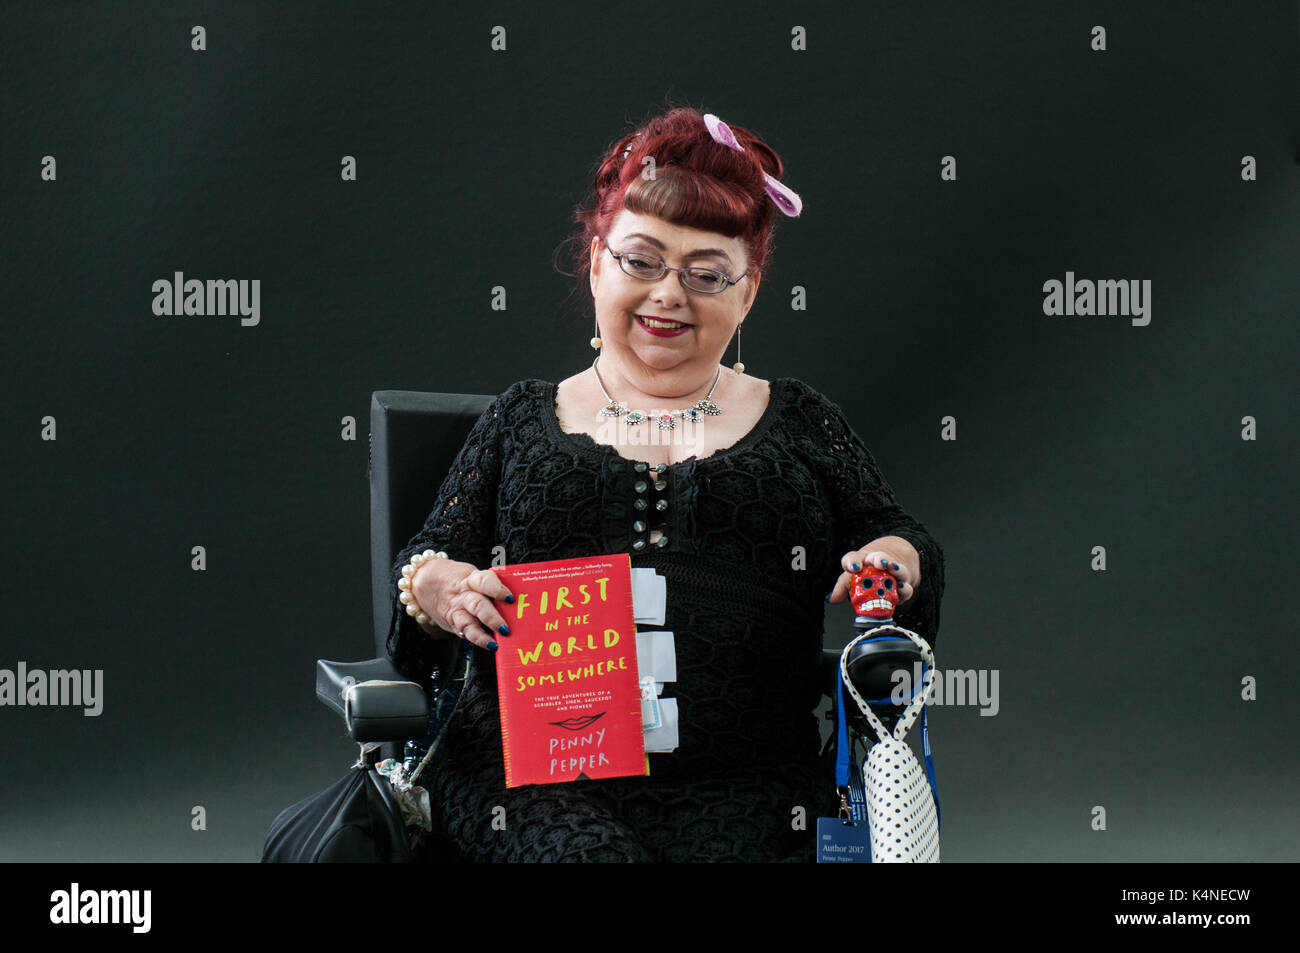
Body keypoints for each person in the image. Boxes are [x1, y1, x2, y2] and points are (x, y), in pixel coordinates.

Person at [385, 106, 945, 862]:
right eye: (641, 260)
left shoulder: (803, 421)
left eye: (706, 274)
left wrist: (891, 558)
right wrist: (446, 588)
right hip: (532, 779)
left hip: (753, 781)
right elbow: (425, 558)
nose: (669, 294)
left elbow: (897, 533)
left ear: (746, 295)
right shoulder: (523, 417)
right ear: (594, 263)